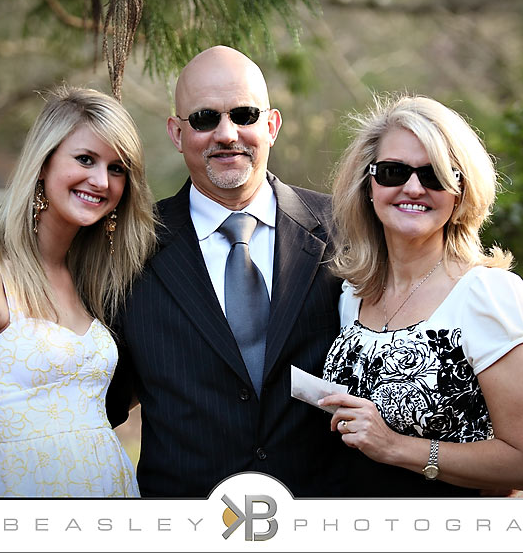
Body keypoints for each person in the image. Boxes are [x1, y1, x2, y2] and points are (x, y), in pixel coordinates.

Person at [107, 45, 346, 498]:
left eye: (244, 114)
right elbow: (98, 392)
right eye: (204, 118)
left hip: (320, 511)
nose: (227, 133)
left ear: (271, 125)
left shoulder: (346, 229)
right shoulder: (127, 248)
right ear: (177, 133)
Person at [319, 93, 523, 497]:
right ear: (368, 184)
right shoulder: (352, 293)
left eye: (434, 175)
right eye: (393, 172)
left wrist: (394, 447)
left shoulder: (489, 296)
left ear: (459, 191)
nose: (413, 188)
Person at [0, 86, 156, 497]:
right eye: (85, 159)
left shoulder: (94, 283)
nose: (101, 181)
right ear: (43, 163)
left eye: (117, 168)